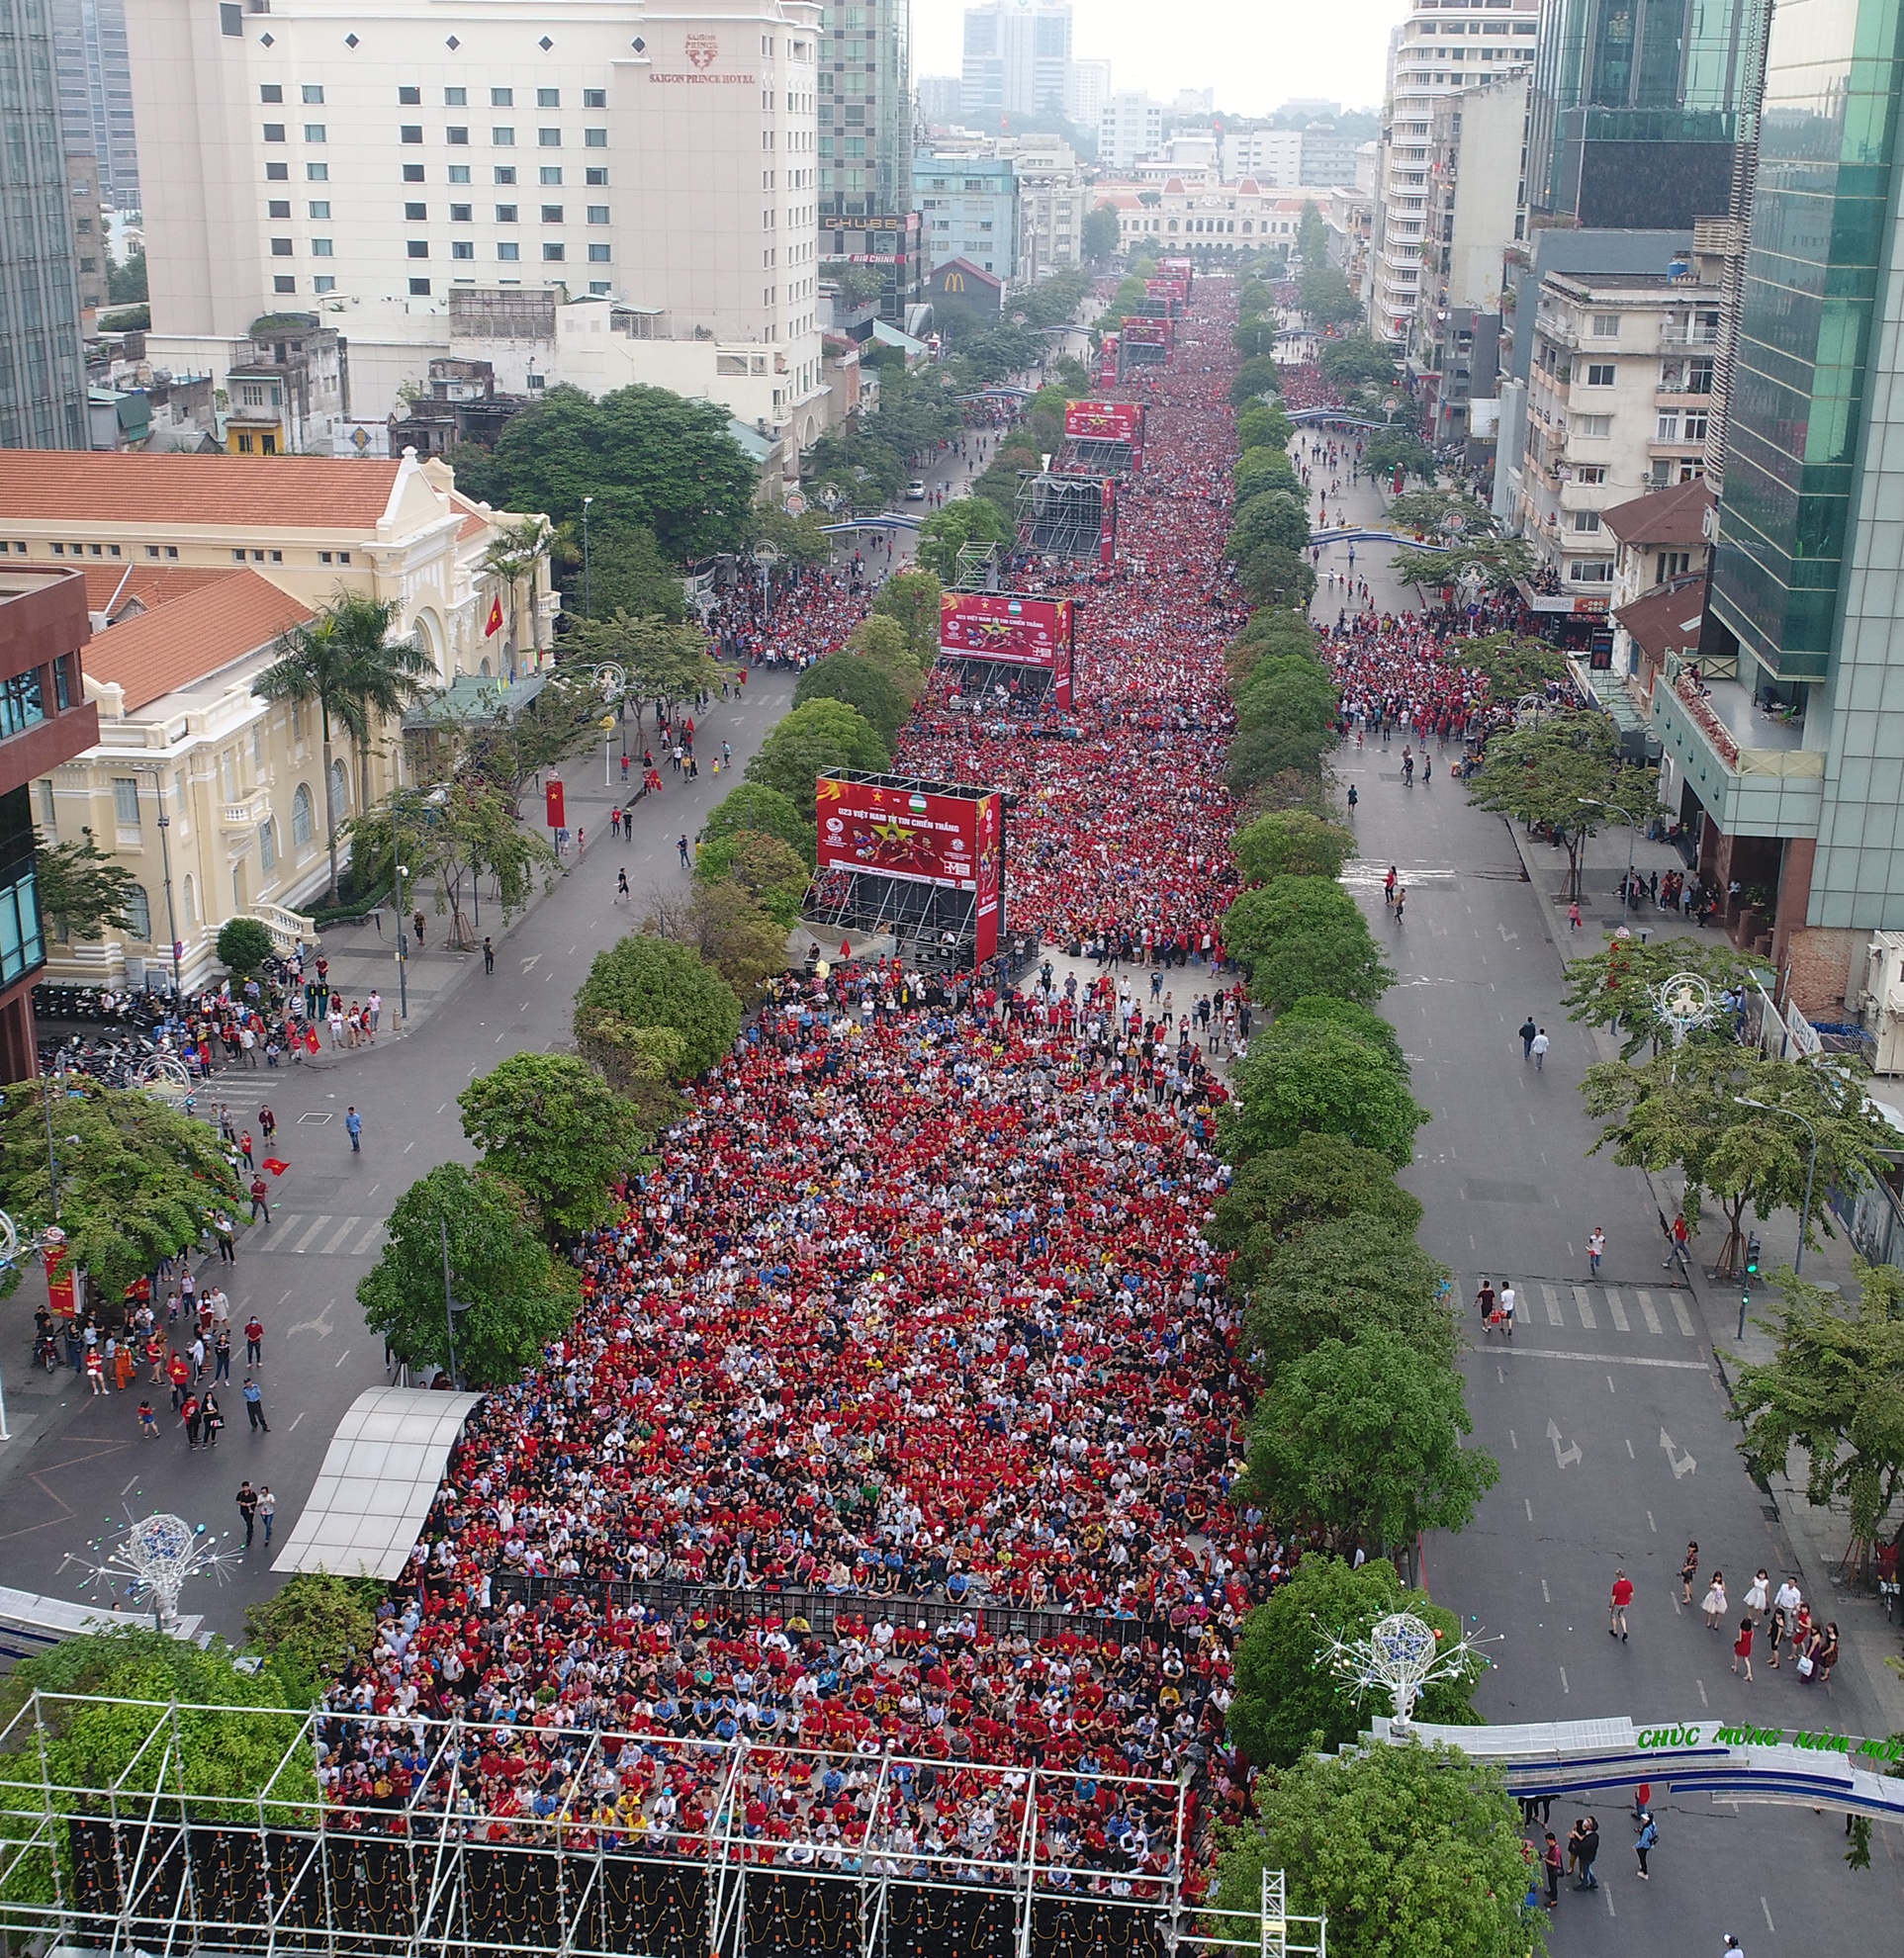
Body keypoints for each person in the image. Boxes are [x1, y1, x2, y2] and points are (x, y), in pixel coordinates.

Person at [1609, 1568, 1633, 1641]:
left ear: (1619, 1576)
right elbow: (1631, 1594)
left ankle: (1615, 1631)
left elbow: (1613, 1598)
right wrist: (1629, 1600)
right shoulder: (1629, 1583)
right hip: (1625, 1603)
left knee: (1613, 1616)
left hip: (1618, 1604)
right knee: (1621, 1616)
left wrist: (1610, 1606)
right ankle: (1625, 1631)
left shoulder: (1616, 1586)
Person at [236, 1479, 260, 1549]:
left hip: (250, 1510)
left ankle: (249, 1538)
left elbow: (256, 1501)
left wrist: (250, 1504)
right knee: (246, 1520)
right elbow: (237, 1501)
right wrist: (242, 1503)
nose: (245, 1488)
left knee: (249, 1522)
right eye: (244, 1487)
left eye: (247, 1487)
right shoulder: (240, 1494)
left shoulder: (252, 1493)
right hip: (243, 1510)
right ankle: (250, 1527)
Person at [1634, 1810, 1657, 1878]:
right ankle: (1642, 1866)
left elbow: (1643, 1841)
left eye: (1645, 1819)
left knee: (1642, 1857)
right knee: (1642, 1855)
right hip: (1649, 1844)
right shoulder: (1653, 1825)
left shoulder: (1646, 1830)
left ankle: (1645, 1873)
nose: (1643, 1820)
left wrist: (1636, 1846)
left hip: (1645, 1845)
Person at [1732, 1615, 1754, 1680]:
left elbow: (1740, 1639)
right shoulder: (1751, 1630)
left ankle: (1735, 1667)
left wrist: (1736, 1640)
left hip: (1741, 1645)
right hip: (1747, 1645)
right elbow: (1751, 1639)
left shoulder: (1741, 1630)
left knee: (1736, 1655)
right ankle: (1749, 1673)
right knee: (1747, 1660)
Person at [1681, 1541, 1700, 1605]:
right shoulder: (1689, 1553)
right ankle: (1689, 1592)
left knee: (1686, 1582)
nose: (1690, 1548)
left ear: (1695, 1548)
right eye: (1690, 1546)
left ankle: (1688, 1597)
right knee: (1689, 1582)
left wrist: (1687, 1568)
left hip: (1689, 1571)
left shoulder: (1693, 1556)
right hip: (1689, 1570)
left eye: (1692, 1547)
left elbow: (1695, 1564)